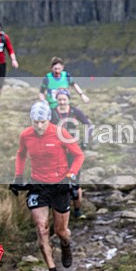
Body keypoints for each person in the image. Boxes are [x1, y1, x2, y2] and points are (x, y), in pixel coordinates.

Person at [10, 101, 85, 271]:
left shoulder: (60, 133)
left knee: (61, 231)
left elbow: (79, 155)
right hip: (38, 185)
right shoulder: (26, 135)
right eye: (35, 122)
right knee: (41, 227)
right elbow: (21, 154)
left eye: (42, 121)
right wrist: (18, 177)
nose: (39, 125)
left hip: (60, 185)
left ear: (48, 120)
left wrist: (70, 175)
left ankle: (66, 244)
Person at [51, 88, 94, 219]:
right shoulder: (52, 113)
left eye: (64, 99)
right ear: (56, 100)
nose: (62, 102)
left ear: (68, 99)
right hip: (57, 152)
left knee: (75, 183)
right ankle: (58, 208)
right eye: (59, 100)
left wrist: (85, 142)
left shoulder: (75, 112)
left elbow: (89, 125)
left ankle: (77, 210)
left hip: (73, 151)